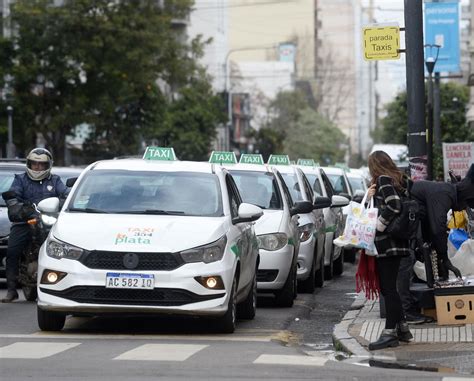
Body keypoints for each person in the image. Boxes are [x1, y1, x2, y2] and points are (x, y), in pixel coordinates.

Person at [1, 148, 69, 303]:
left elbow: (65, 193)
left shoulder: (55, 180)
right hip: (25, 221)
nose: (37, 168)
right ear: (29, 164)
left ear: (48, 165)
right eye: (34, 164)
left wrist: (65, 202)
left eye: (41, 165)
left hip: (48, 221)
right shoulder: (20, 179)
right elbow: (13, 196)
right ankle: (12, 290)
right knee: (12, 251)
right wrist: (19, 208)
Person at [366, 151, 413, 350]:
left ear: (375, 166)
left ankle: (389, 333)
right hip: (398, 242)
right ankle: (402, 328)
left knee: (388, 289)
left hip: (387, 243)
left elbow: (394, 205)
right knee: (391, 286)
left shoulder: (384, 179)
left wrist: (379, 225)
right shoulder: (399, 180)